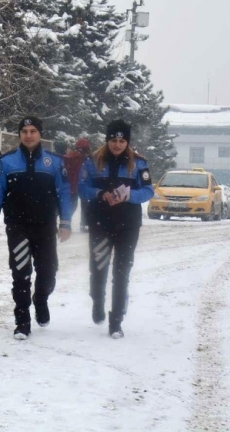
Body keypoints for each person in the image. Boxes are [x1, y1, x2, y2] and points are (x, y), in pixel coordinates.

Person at [0, 116, 71, 340]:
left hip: (45, 226)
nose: (29, 135)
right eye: (25, 131)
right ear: (19, 135)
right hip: (18, 226)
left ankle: (40, 299)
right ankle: (22, 321)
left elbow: (63, 193)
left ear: (40, 134)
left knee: (48, 272)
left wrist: (65, 222)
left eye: (33, 131)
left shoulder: (54, 162)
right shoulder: (8, 162)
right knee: (21, 274)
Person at [78, 119, 154, 339]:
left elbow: (148, 191)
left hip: (128, 225)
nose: (118, 145)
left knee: (122, 272)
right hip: (100, 223)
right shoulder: (93, 161)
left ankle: (116, 320)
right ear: (107, 140)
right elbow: (83, 188)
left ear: (128, 142)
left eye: (122, 141)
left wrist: (130, 195)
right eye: (113, 140)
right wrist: (99, 194)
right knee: (99, 268)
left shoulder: (138, 163)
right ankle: (98, 300)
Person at [63, 138, 92, 232]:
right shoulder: (85, 158)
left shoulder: (68, 156)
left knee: (71, 206)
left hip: (70, 185)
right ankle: (84, 224)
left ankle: (65, 223)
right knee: (84, 205)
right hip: (81, 184)